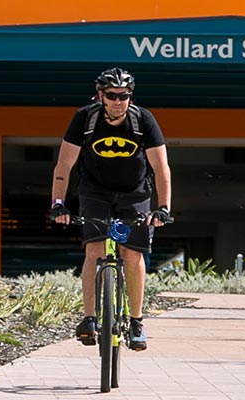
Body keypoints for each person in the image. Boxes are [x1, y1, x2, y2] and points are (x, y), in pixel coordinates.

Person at [49, 67, 173, 352]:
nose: (119, 101)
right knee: (94, 249)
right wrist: (58, 204)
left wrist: (163, 208)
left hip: (135, 192)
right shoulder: (85, 118)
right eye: (112, 95)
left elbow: (161, 168)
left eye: (124, 95)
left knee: (132, 251)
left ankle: (137, 321)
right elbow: (64, 165)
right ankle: (89, 319)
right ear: (100, 95)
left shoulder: (143, 120)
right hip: (95, 190)